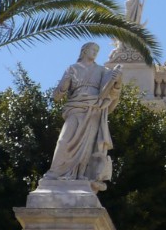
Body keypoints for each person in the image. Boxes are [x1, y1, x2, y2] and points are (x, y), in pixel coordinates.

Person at [46, 43, 122, 187]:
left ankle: (80, 175)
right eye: (93, 49)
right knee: (63, 141)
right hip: (75, 108)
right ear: (84, 51)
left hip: (93, 109)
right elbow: (57, 96)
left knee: (87, 147)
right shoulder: (72, 69)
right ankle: (55, 173)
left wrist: (118, 81)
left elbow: (112, 95)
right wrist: (66, 81)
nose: (95, 52)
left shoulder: (102, 70)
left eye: (97, 51)